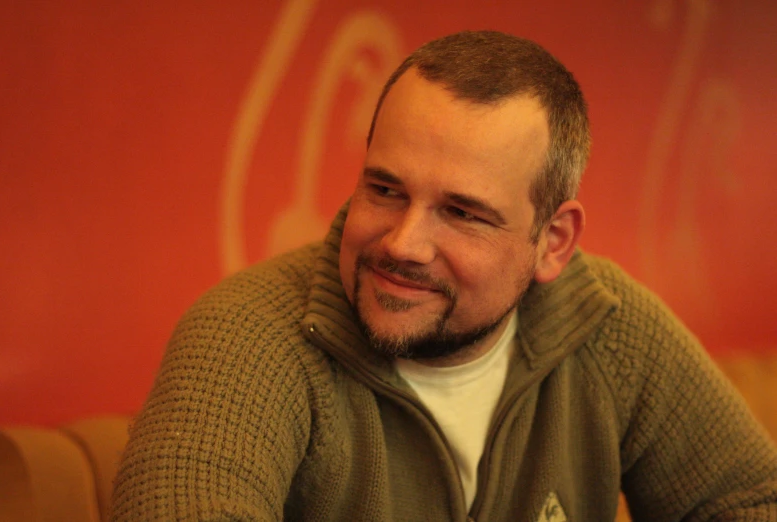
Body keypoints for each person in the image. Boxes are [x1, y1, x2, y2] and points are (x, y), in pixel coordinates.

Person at [111, 30, 777, 521]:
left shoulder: (608, 326)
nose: (402, 243)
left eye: (460, 213)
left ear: (552, 242)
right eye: (385, 189)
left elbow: (749, 501)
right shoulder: (246, 338)